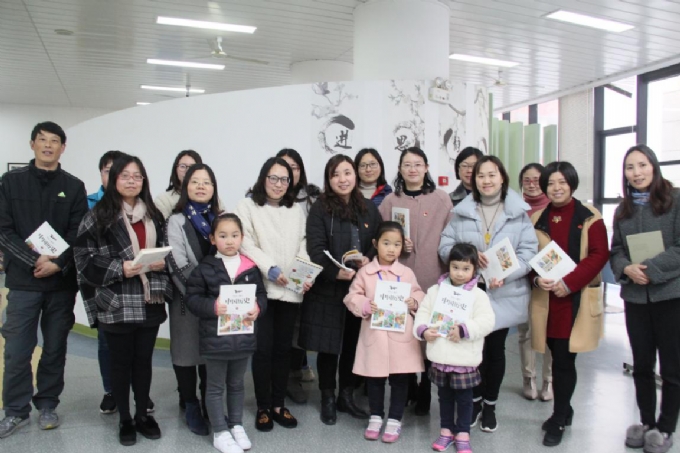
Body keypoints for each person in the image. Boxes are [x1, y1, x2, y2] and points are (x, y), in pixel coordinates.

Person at [74, 154, 170, 446]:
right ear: (114, 179)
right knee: (120, 363)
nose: (132, 181)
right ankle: (125, 418)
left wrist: (161, 262)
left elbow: (166, 249)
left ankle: (142, 414)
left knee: (143, 361)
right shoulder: (97, 216)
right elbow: (83, 260)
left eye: (137, 176)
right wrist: (120, 268)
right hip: (116, 301)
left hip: (150, 299)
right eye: (125, 175)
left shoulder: (153, 214)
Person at [0, 122, 88, 438]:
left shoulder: (73, 187)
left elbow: (78, 233)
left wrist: (57, 264)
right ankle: (15, 410)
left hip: (60, 284)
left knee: (54, 348)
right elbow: (3, 230)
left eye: (54, 141)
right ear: (32, 144)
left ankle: (48, 404)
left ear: (63, 148)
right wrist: (33, 260)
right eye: (42, 140)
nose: (48, 146)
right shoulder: (10, 182)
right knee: (17, 349)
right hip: (23, 282)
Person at [439, 155, 537, 433]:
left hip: (503, 291)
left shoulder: (518, 213)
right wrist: (469, 256)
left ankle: (490, 405)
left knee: (494, 351)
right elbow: (444, 246)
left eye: (492, 174)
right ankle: (475, 402)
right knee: (473, 351)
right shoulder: (461, 211)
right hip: (469, 292)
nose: (486, 180)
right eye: (480, 175)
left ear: (502, 177)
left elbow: (529, 253)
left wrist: (505, 274)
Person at [530, 161, 609, 447]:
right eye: (551, 183)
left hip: (574, 298)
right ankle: (566, 408)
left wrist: (569, 283)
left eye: (562, 182)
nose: (556, 188)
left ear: (572, 184)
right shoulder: (537, 218)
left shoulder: (590, 216)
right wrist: (537, 279)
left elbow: (599, 254)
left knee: (564, 359)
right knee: (554, 351)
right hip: (547, 299)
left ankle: (559, 417)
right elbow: (529, 255)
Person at [299, 154, 381, 425]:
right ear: (328, 179)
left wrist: (369, 259)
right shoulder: (320, 209)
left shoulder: (368, 208)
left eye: (347, 173)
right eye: (335, 175)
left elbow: (378, 241)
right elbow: (315, 248)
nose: (342, 179)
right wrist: (335, 272)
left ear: (355, 175)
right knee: (328, 346)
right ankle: (327, 397)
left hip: (360, 289)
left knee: (352, 345)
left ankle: (346, 395)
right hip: (328, 288)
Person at [610, 145, 680, 453]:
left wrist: (650, 269)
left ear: (654, 166)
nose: (636, 172)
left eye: (642, 165)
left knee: (672, 368)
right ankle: (647, 422)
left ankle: (666, 428)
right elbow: (616, 250)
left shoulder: (675, 200)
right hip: (636, 298)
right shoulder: (623, 210)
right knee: (641, 365)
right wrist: (626, 268)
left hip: (670, 296)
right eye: (630, 167)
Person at [234, 157, 310, 431]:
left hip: (290, 289)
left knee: (283, 350)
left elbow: (304, 243)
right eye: (273, 178)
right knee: (263, 350)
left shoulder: (296, 210)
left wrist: (302, 273)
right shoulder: (247, 206)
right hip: (263, 289)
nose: (278, 184)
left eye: (284, 179)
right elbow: (245, 243)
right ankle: (263, 406)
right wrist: (271, 269)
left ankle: (279, 404)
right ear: (263, 178)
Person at [379, 147, 452, 415]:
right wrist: (397, 243)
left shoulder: (441, 199)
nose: (412, 169)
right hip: (399, 280)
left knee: (429, 334)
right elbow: (380, 238)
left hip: (433, 277)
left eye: (418, 164)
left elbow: (450, 237)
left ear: (426, 167)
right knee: (402, 334)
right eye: (407, 164)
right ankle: (407, 385)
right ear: (399, 169)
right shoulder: (390, 201)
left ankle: (425, 389)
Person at [186, 213, 267, 453]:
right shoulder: (204, 268)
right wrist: (212, 307)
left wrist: (258, 308)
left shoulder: (251, 267)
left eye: (234, 235)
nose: (229, 241)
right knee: (215, 387)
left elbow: (261, 295)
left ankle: (236, 425)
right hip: (215, 339)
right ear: (212, 239)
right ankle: (220, 432)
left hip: (243, 338)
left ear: (242, 237)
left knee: (237, 384)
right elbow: (192, 299)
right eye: (222, 236)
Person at [344, 221, 425, 443]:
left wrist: (414, 301)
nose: (391, 249)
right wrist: (364, 304)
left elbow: (419, 293)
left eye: (397, 244)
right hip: (375, 334)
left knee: (400, 380)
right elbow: (351, 296)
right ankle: (376, 416)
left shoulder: (406, 273)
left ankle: (395, 419)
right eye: (386, 243)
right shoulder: (365, 272)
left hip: (401, 336)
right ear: (375, 243)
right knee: (374, 379)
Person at [415, 243, 495, 453]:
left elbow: (487, 322)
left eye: (466, 268)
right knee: (444, 397)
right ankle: (446, 431)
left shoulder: (478, 295)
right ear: (448, 266)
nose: (460, 273)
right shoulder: (435, 291)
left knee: (465, 399)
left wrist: (464, 329)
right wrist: (423, 330)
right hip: (441, 356)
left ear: (474, 269)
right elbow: (423, 313)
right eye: (455, 267)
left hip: (464, 358)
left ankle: (463, 434)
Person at [166, 164, 223, 435]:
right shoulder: (176, 221)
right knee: (186, 353)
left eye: (207, 182)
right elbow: (176, 262)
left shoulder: (220, 220)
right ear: (185, 187)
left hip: (217, 301)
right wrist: (201, 291)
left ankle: (210, 404)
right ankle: (190, 403)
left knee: (212, 355)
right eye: (195, 181)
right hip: (186, 299)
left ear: (214, 188)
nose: (201, 186)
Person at [276, 148, 319, 399]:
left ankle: (295, 371)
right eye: (284, 166)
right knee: (282, 327)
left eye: (294, 167)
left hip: (305, 269)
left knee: (299, 325)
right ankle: (282, 378)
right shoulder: (263, 197)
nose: (289, 172)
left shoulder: (312, 197)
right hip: (276, 272)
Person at [517, 163, 553, 402]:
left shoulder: (553, 207)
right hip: (522, 277)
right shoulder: (516, 208)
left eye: (536, 179)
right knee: (525, 331)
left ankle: (549, 380)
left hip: (549, 278)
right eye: (527, 180)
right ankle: (528, 377)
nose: (531, 184)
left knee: (550, 333)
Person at [155, 150, 202, 219]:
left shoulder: (209, 197)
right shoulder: (163, 200)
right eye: (182, 166)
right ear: (175, 169)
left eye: (192, 167)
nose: (187, 171)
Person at [276, 148, 320, 217]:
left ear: (300, 171)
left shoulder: (313, 197)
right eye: (283, 167)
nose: (288, 172)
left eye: (293, 168)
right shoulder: (266, 199)